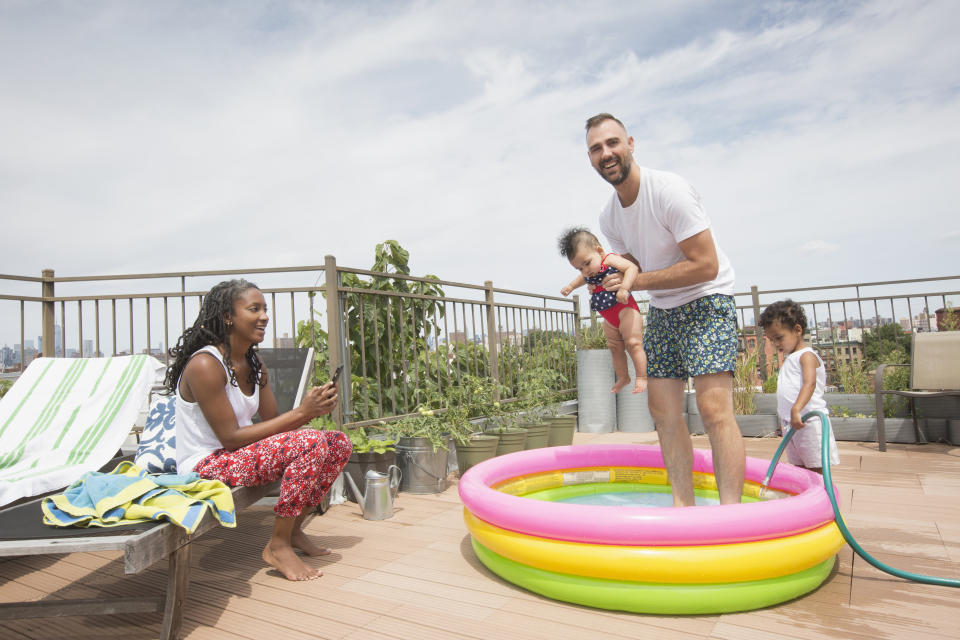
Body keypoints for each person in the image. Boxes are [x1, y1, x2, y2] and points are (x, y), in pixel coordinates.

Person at [584, 112, 744, 506]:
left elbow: (705, 264)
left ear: (631, 144)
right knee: (663, 412)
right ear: (590, 158)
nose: (606, 153)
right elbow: (636, 268)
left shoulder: (669, 190)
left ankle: (733, 518)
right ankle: (683, 509)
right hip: (664, 309)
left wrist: (636, 281)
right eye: (596, 148)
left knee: (713, 408)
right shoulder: (609, 216)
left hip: (708, 298)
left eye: (613, 143)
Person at [165, 279, 351, 581]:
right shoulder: (204, 365)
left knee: (337, 442)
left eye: (265, 309)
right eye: (254, 309)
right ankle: (277, 546)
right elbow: (229, 438)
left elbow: (273, 421)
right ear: (228, 316)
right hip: (206, 464)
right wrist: (302, 413)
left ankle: (293, 531)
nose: (264, 316)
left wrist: (312, 410)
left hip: (238, 456)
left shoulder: (254, 363)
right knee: (311, 442)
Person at [559, 227, 647, 394]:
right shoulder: (589, 273)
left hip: (626, 310)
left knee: (633, 343)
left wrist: (624, 288)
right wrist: (570, 286)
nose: (585, 270)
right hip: (609, 318)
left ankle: (642, 376)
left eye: (587, 263)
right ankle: (623, 377)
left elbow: (632, 269)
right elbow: (581, 279)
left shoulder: (609, 260)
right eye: (579, 268)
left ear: (599, 251)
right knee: (614, 347)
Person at [759, 300, 839, 472]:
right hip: (793, 424)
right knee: (800, 469)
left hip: (809, 422)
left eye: (779, 338)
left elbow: (809, 384)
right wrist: (787, 416)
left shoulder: (807, 356)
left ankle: (822, 497)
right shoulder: (791, 358)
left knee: (816, 469)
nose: (777, 344)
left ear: (797, 330)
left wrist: (796, 409)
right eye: (773, 340)